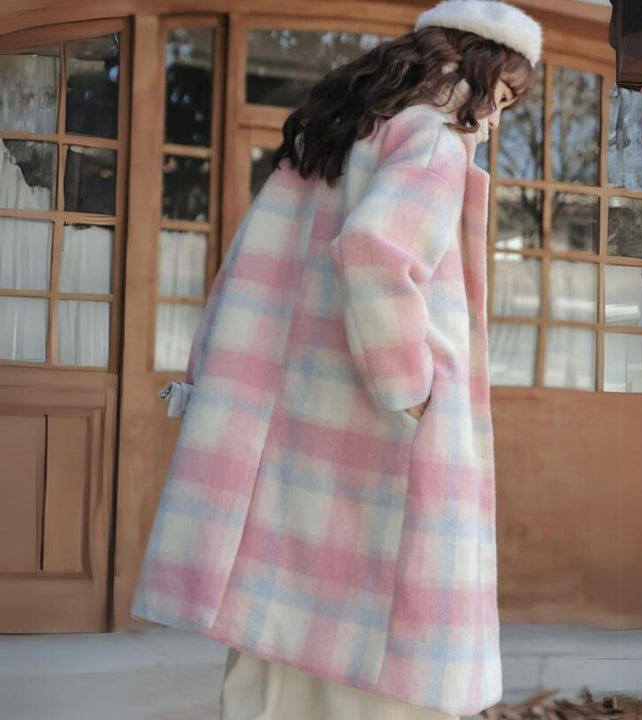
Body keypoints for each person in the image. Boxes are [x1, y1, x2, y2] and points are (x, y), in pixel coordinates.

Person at [130, 1, 543, 718]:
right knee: (377, 668)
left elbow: (241, 274)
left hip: (289, 427)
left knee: (272, 654)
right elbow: (375, 250)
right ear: (471, 69)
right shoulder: (435, 134)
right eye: (502, 97)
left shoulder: (342, 132)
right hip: (369, 439)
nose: (496, 120)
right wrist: (410, 386)